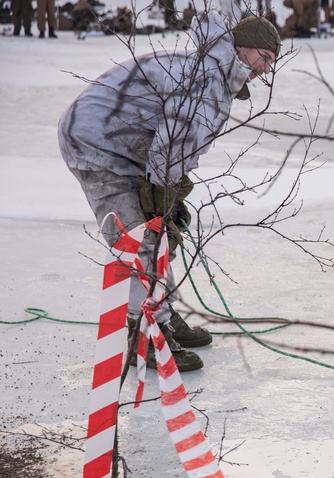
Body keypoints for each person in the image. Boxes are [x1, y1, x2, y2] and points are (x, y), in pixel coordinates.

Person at [58, 2, 281, 372]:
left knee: (163, 232)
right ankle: (145, 333)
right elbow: (173, 145)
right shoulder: (207, 79)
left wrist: (170, 195)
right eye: (266, 57)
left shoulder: (213, 72)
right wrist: (163, 196)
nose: (267, 69)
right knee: (140, 238)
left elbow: (180, 145)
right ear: (243, 47)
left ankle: (162, 309)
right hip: (98, 145)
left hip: (126, 147)